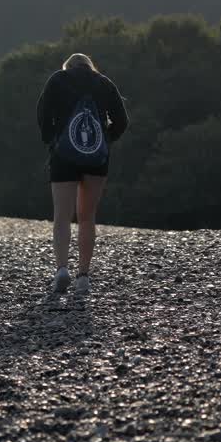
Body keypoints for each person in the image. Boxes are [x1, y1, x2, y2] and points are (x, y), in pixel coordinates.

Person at [36, 53, 128, 293]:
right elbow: (122, 120)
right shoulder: (104, 83)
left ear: (68, 67)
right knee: (87, 217)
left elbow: (43, 113)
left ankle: (62, 270)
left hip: (63, 156)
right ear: (90, 66)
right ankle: (84, 276)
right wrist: (106, 140)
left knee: (62, 217)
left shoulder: (58, 80)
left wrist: (52, 139)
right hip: (96, 158)